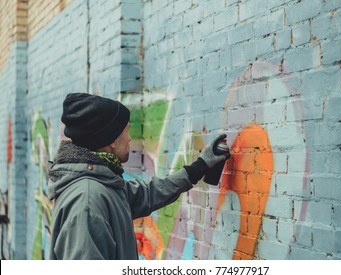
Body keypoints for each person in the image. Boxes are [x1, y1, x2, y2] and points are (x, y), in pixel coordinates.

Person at [48, 93, 230, 260]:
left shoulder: (100, 184)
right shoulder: (88, 201)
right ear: (111, 139)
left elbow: (148, 194)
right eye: (126, 131)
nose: (129, 139)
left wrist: (200, 167)